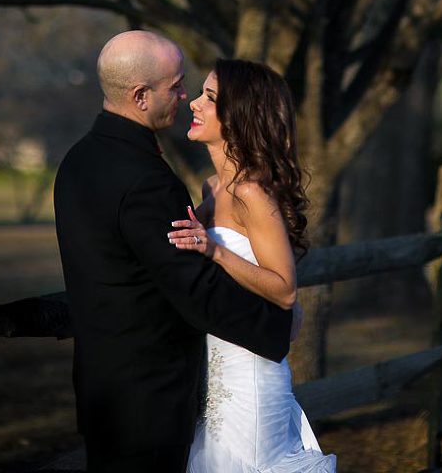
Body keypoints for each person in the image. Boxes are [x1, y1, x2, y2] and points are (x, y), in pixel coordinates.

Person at [54, 31, 293, 473]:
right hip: (150, 396)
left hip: (102, 386)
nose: (187, 98)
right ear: (141, 96)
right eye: (178, 86)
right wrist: (276, 331)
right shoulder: (146, 178)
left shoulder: (77, 161)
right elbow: (192, 287)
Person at [168, 57, 336, 472]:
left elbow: (284, 289)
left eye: (209, 97)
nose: (193, 103)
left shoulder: (252, 191)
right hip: (214, 374)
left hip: (251, 380)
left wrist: (215, 251)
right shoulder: (213, 187)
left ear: (239, 115)